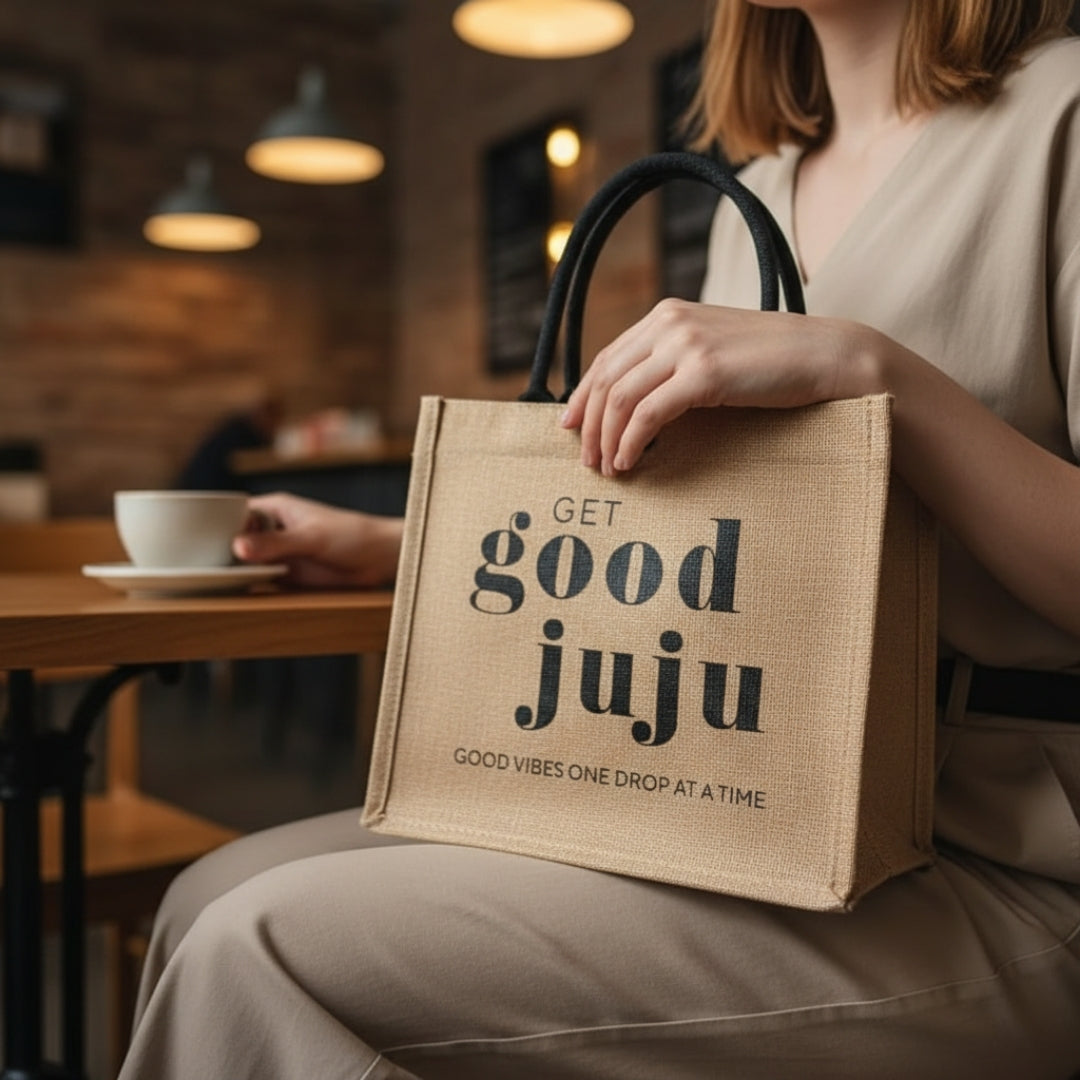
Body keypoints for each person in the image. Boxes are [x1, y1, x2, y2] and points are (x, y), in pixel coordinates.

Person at [119, 2, 1080, 1076]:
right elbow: (713, 534)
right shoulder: (754, 192)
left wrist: (877, 375)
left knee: (259, 952)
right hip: (734, 792)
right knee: (200, 897)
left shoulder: (1063, 120)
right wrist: (404, 542)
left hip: (1005, 844)